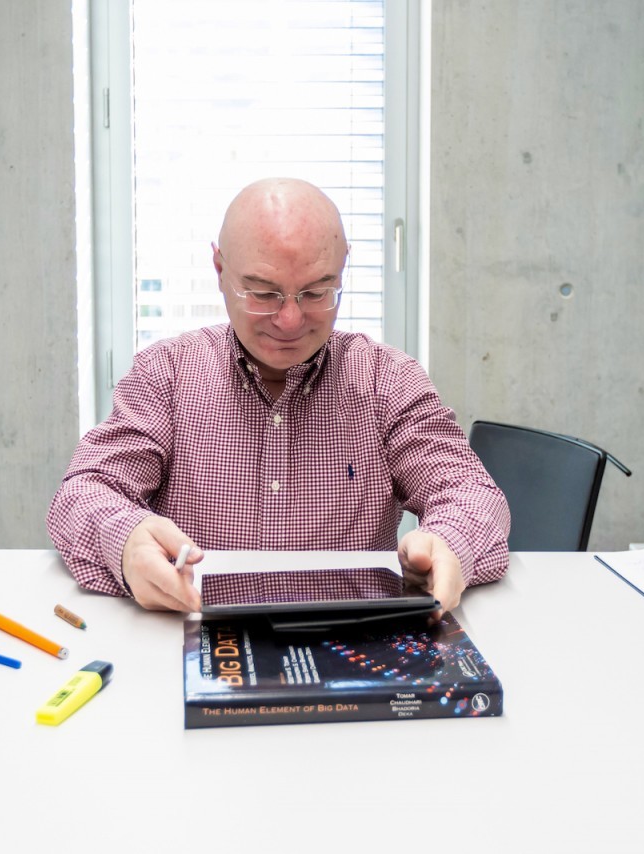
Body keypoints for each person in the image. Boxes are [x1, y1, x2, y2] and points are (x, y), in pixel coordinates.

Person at [47, 177, 509, 615]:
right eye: (264, 293)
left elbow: (471, 493)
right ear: (220, 268)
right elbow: (86, 492)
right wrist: (126, 541)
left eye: (316, 291)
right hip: (195, 633)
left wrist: (449, 542)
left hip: (348, 647)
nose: (290, 321)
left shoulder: (387, 381)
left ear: (343, 266)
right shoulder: (166, 375)